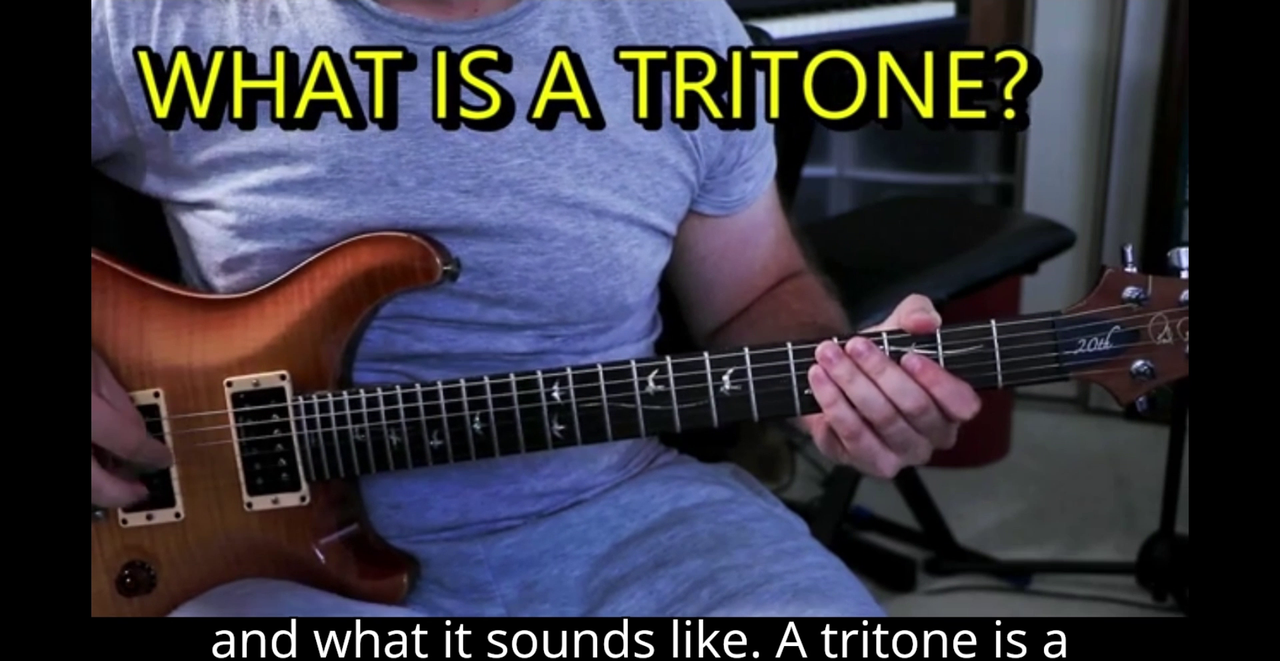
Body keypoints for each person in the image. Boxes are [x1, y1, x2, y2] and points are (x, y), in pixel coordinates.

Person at [90, 0, 981, 617]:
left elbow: (760, 290)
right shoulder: (159, 20)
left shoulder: (681, 32)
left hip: (619, 510)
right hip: (238, 552)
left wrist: (838, 380)